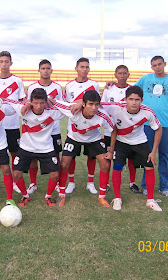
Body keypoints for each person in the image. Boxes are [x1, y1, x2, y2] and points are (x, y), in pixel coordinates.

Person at [4, 88, 69, 207]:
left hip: (46, 148)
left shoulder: (53, 111)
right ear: (31, 101)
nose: (39, 106)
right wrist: (27, 103)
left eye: (42, 103)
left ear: (46, 102)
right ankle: (25, 196)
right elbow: (4, 100)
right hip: (26, 147)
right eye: (35, 103)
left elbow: (71, 107)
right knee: (17, 174)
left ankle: (48, 196)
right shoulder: (23, 108)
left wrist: (54, 101)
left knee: (55, 175)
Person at [103, 86, 163, 211]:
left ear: (142, 100)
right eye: (131, 99)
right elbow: (113, 128)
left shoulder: (148, 112)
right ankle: (117, 198)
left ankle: (150, 200)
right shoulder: (116, 108)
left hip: (140, 142)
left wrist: (153, 152)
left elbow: (158, 129)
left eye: (137, 99)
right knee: (117, 167)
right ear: (125, 99)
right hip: (122, 142)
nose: (134, 102)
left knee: (149, 166)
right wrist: (111, 150)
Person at [54, 90, 114, 207]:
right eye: (90, 104)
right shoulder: (72, 109)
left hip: (94, 139)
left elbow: (113, 129)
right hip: (74, 138)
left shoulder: (102, 116)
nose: (94, 107)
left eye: (96, 104)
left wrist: (110, 151)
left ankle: (102, 196)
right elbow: (55, 103)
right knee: (64, 163)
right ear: (83, 104)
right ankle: (61, 194)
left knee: (105, 164)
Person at [135, 56, 168, 197]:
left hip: (165, 124)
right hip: (147, 124)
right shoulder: (146, 79)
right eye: (154, 65)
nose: (157, 67)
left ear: (164, 64)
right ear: (151, 67)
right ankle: (146, 186)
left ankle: (163, 186)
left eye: (159, 64)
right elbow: (132, 90)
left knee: (164, 155)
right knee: (147, 154)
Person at [0, 51, 25, 195]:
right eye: (1, 61)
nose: (4, 64)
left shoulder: (17, 81)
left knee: (14, 153)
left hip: (13, 124)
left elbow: (21, 102)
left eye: (7, 61)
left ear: (11, 63)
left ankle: (16, 182)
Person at [25, 59, 64, 194]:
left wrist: (52, 103)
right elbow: (28, 104)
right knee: (33, 156)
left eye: (48, 68)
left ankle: (58, 183)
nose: (45, 71)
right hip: (36, 128)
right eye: (43, 68)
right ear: (39, 70)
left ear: (51, 71)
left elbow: (61, 106)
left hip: (53, 128)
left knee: (56, 155)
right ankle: (33, 183)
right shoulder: (31, 87)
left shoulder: (57, 87)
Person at [101, 65, 141, 194]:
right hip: (110, 130)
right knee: (108, 157)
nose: (122, 76)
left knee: (130, 158)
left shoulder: (132, 90)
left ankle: (132, 183)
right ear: (115, 75)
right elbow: (102, 107)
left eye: (125, 73)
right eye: (120, 73)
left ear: (128, 75)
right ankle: (106, 183)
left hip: (127, 131)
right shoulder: (109, 89)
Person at [63, 57, 100, 194]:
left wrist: (81, 103)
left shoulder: (94, 85)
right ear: (76, 69)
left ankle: (90, 183)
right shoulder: (69, 86)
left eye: (87, 67)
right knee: (71, 156)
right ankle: (71, 182)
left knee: (91, 156)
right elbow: (67, 106)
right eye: (82, 67)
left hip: (91, 127)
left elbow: (97, 103)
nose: (84, 69)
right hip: (73, 127)